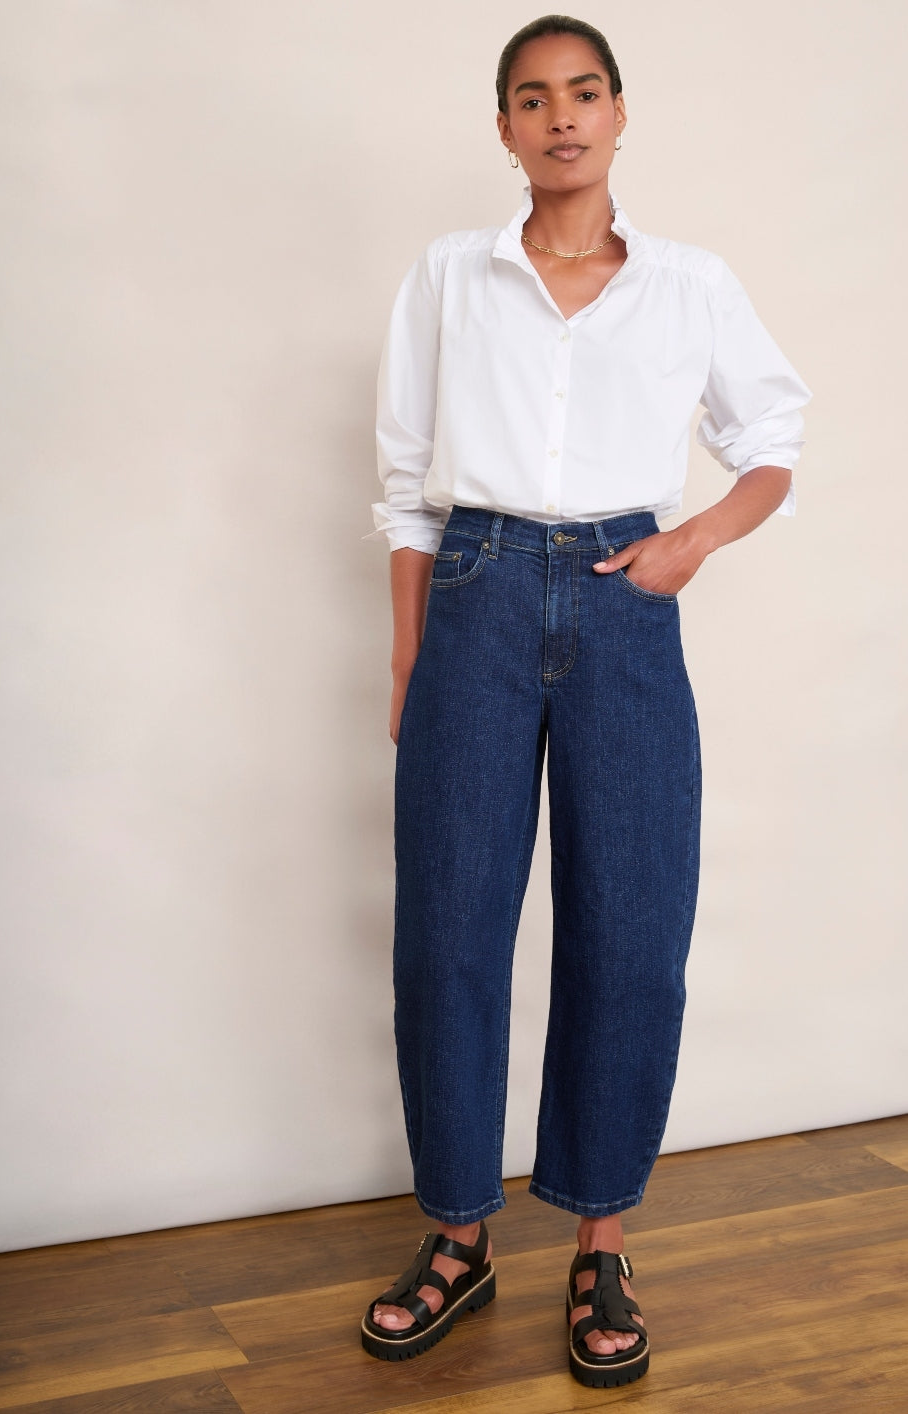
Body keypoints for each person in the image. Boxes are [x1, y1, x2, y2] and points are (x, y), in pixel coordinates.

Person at [358, 14, 811, 1390]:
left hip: (625, 599)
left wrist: (693, 542)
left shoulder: (688, 284)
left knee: (630, 930)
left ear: (619, 113)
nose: (560, 117)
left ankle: (600, 1241)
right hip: (477, 594)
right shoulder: (450, 276)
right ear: (502, 127)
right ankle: (458, 1235)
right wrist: (409, 655)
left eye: (584, 92)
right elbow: (404, 483)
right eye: (531, 98)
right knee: (449, 930)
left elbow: (772, 443)